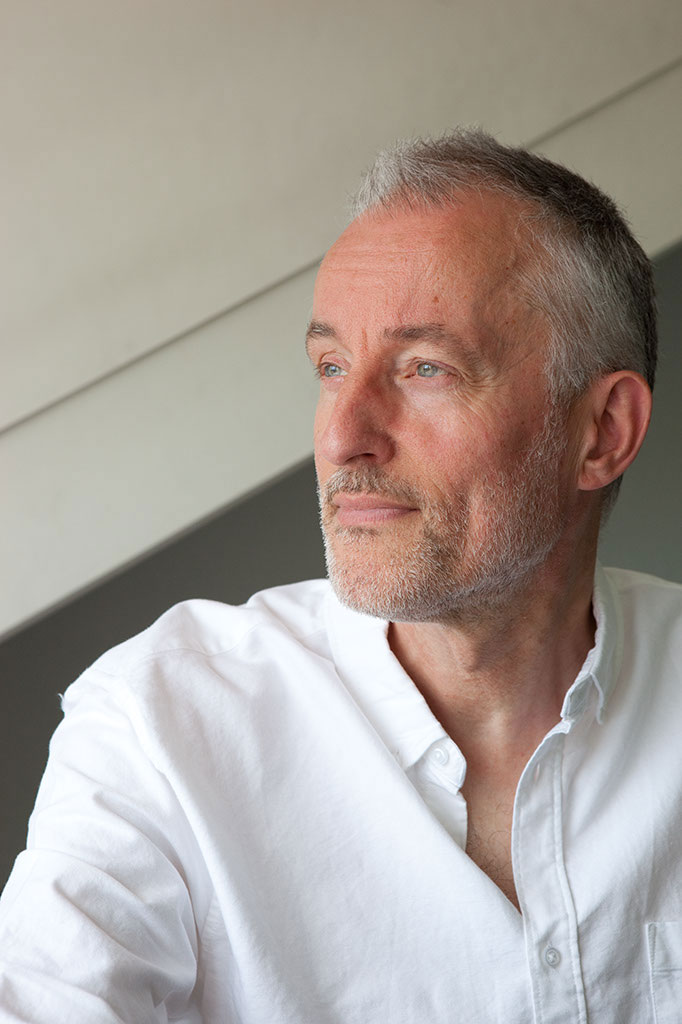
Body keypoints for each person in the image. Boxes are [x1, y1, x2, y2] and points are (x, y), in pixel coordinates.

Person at [0, 128, 680, 1024]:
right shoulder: (158, 728)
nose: (340, 435)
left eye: (425, 368)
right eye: (331, 367)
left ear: (602, 432)